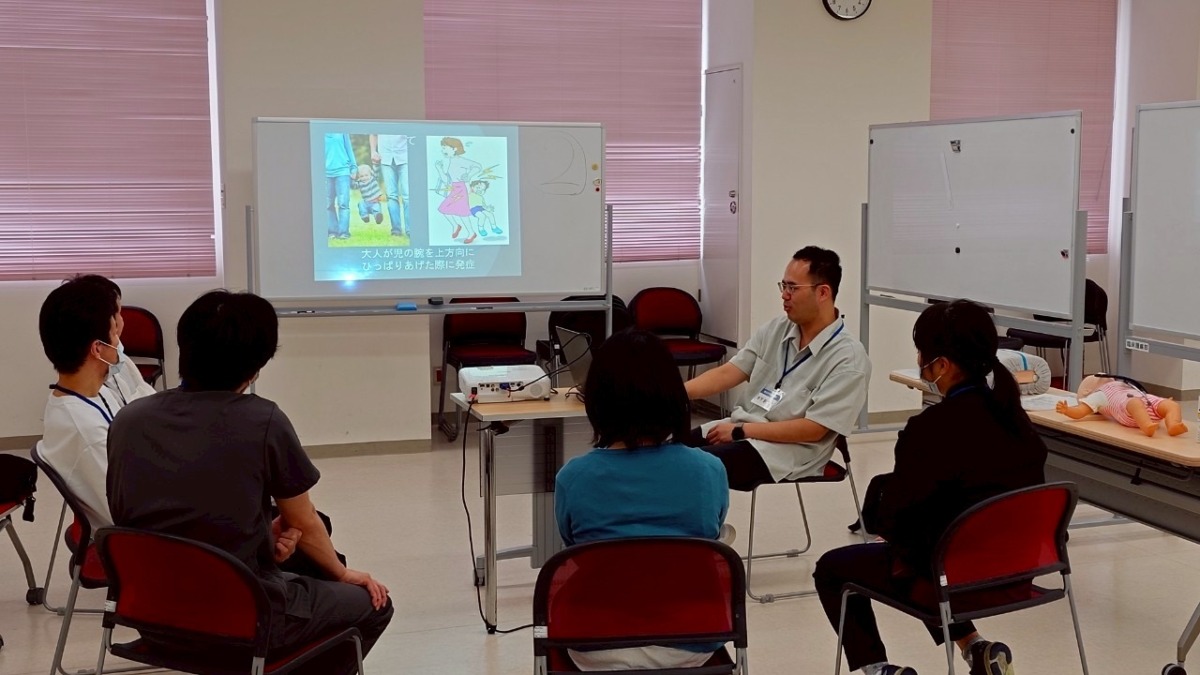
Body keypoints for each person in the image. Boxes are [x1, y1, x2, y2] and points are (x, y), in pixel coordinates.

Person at [108, 290, 391, 674]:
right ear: (257, 366)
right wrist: (343, 576)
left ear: (184, 348)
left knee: (304, 560)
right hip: (243, 618)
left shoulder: (129, 420)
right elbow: (302, 520)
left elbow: (142, 518)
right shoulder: (263, 421)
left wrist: (260, 539)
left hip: (153, 615)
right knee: (373, 603)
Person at [813, 299, 1048, 675]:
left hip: (953, 577)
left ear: (942, 365)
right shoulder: (1020, 425)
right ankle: (976, 649)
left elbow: (898, 521)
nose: (919, 362)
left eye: (921, 353)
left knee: (834, 569)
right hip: (1017, 573)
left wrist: (882, 517)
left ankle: (877, 669)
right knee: (936, 548)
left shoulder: (928, 429)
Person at [555, 330, 729, 671]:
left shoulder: (574, 477)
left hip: (595, 642)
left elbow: (574, 547)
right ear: (673, 397)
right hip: (691, 640)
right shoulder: (709, 470)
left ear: (598, 401)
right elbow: (709, 532)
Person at [683, 246, 871, 498]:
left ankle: (689, 523)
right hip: (740, 429)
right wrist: (675, 393)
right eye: (783, 286)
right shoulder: (776, 329)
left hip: (786, 451)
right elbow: (729, 372)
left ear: (823, 292)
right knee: (666, 453)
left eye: (793, 288)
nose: (784, 295)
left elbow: (814, 429)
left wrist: (741, 431)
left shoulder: (848, 359)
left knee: (690, 468)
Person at [36, 275, 156, 529]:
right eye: (114, 333)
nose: (119, 340)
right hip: (137, 537)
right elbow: (132, 517)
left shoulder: (94, 393)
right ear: (97, 349)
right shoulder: (86, 432)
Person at [370, 133, 411, 237]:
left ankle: (410, 230)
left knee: (407, 195)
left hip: (405, 156)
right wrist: (373, 151)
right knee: (391, 196)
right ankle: (396, 230)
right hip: (385, 157)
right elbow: (373, 133)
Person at [325, 133, 357, 239]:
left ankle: (344, 233)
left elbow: (349, 148)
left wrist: (354, 167)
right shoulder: (319, 132)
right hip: (325, 173)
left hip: (343, 171)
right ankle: (332, 232)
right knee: (328, 204)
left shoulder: (341, 131)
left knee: (343, 204)